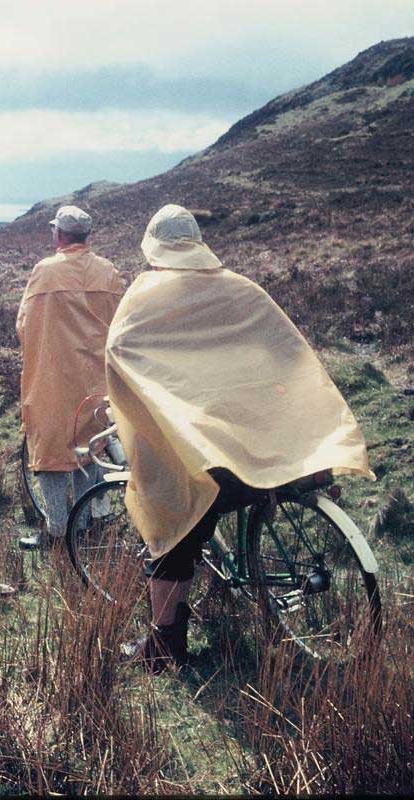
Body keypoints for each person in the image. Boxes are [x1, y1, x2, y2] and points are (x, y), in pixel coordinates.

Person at [105, 205, 373, 671]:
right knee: (229, 494)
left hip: (208, 457)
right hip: (264, 451)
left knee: (172, 531)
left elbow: (119, 353)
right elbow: (287, 352)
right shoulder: (241, 289)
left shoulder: (145, 295)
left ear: (154, 248)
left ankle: (164, 645)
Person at [16, 206, 125, 550]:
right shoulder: (108, 272)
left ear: (59, 235)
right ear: (85, 236)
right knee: (90, 449)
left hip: (53, 380)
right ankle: (88, 521)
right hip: (96, 380)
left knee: (49, 454)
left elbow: (24, 325)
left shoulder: (44, 273)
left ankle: (58, 530)